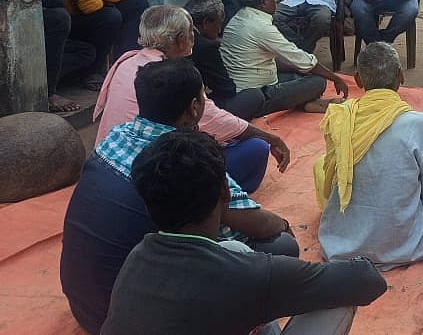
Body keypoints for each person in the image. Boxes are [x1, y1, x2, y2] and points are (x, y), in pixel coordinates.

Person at [62, 59, 300, 334]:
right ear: (194, 107)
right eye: (203, 95)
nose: (205, 99)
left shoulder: (115, 137)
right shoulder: (186, 158)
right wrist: (283, 225)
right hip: (142, 314)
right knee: (280, 245)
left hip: (87, 306)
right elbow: (260, 224)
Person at [103, 129, 388, 335]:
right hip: (248, 281)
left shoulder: (136, 258)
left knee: (234, 249)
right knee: (337, 298)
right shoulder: (250, 275)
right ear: (225, 193)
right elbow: (367, 280)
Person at [93, 5, 289, 192]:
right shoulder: (174, 75)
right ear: (180, 40)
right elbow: (212, 120)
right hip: (153, 176)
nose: (194, 37)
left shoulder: (126, 62)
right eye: (191, 33)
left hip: (112, 164)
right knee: (256, 147)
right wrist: (271, 137)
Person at [316, 43, 423, 269]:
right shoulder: (419, 123)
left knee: (321, 167)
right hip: (406, 246)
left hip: (340, 246)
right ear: (401, 76)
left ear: (358, 80)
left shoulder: (340, 117)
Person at [222, 0, 350, 114]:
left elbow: (281, 61)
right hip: (257, 93)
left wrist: (301, 69)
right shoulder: (261, 27)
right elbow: (304, 61)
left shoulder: (238, 18)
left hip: (249, 83)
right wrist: (336, 79)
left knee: (299, 75)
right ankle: (302, 103)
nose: (277, 1)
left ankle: (306, 103)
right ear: (263, 2)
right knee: (318, 81)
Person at [186, 0, 265, 121]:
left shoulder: (185, 35)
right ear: (206, 23)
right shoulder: (205, 47)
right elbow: (227, 89)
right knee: (255, 96)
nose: (219, 31)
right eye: (219, 24)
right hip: (194, 112)